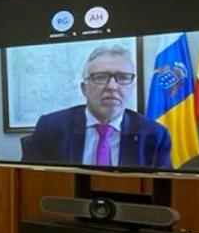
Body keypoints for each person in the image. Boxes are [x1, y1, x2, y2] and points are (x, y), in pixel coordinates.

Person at [20, 44, 172, 169]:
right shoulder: (51, 128)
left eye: (123, 77)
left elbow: (163, 190)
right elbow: (30, 182)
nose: (112, 87)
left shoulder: (155, 135)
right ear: (84, 88)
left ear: (132, 87)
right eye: (100, 77)